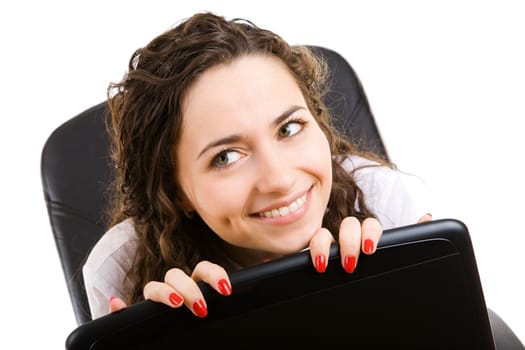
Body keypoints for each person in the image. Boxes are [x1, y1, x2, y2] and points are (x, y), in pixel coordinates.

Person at [83, 12, 432, 320]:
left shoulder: (385, 206)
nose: (279, 179)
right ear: (175, 191)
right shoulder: (122, 270)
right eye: (226, 157)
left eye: (289, 129)